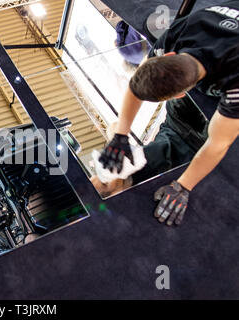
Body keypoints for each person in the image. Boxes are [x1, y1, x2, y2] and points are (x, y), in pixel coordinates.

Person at [98, 2, 239, 226]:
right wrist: (120, 135)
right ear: (169, 54)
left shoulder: (235, 83)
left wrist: (182, 186)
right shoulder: (182, 31)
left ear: (180, 94)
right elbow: (137, 85)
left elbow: (219, 143)